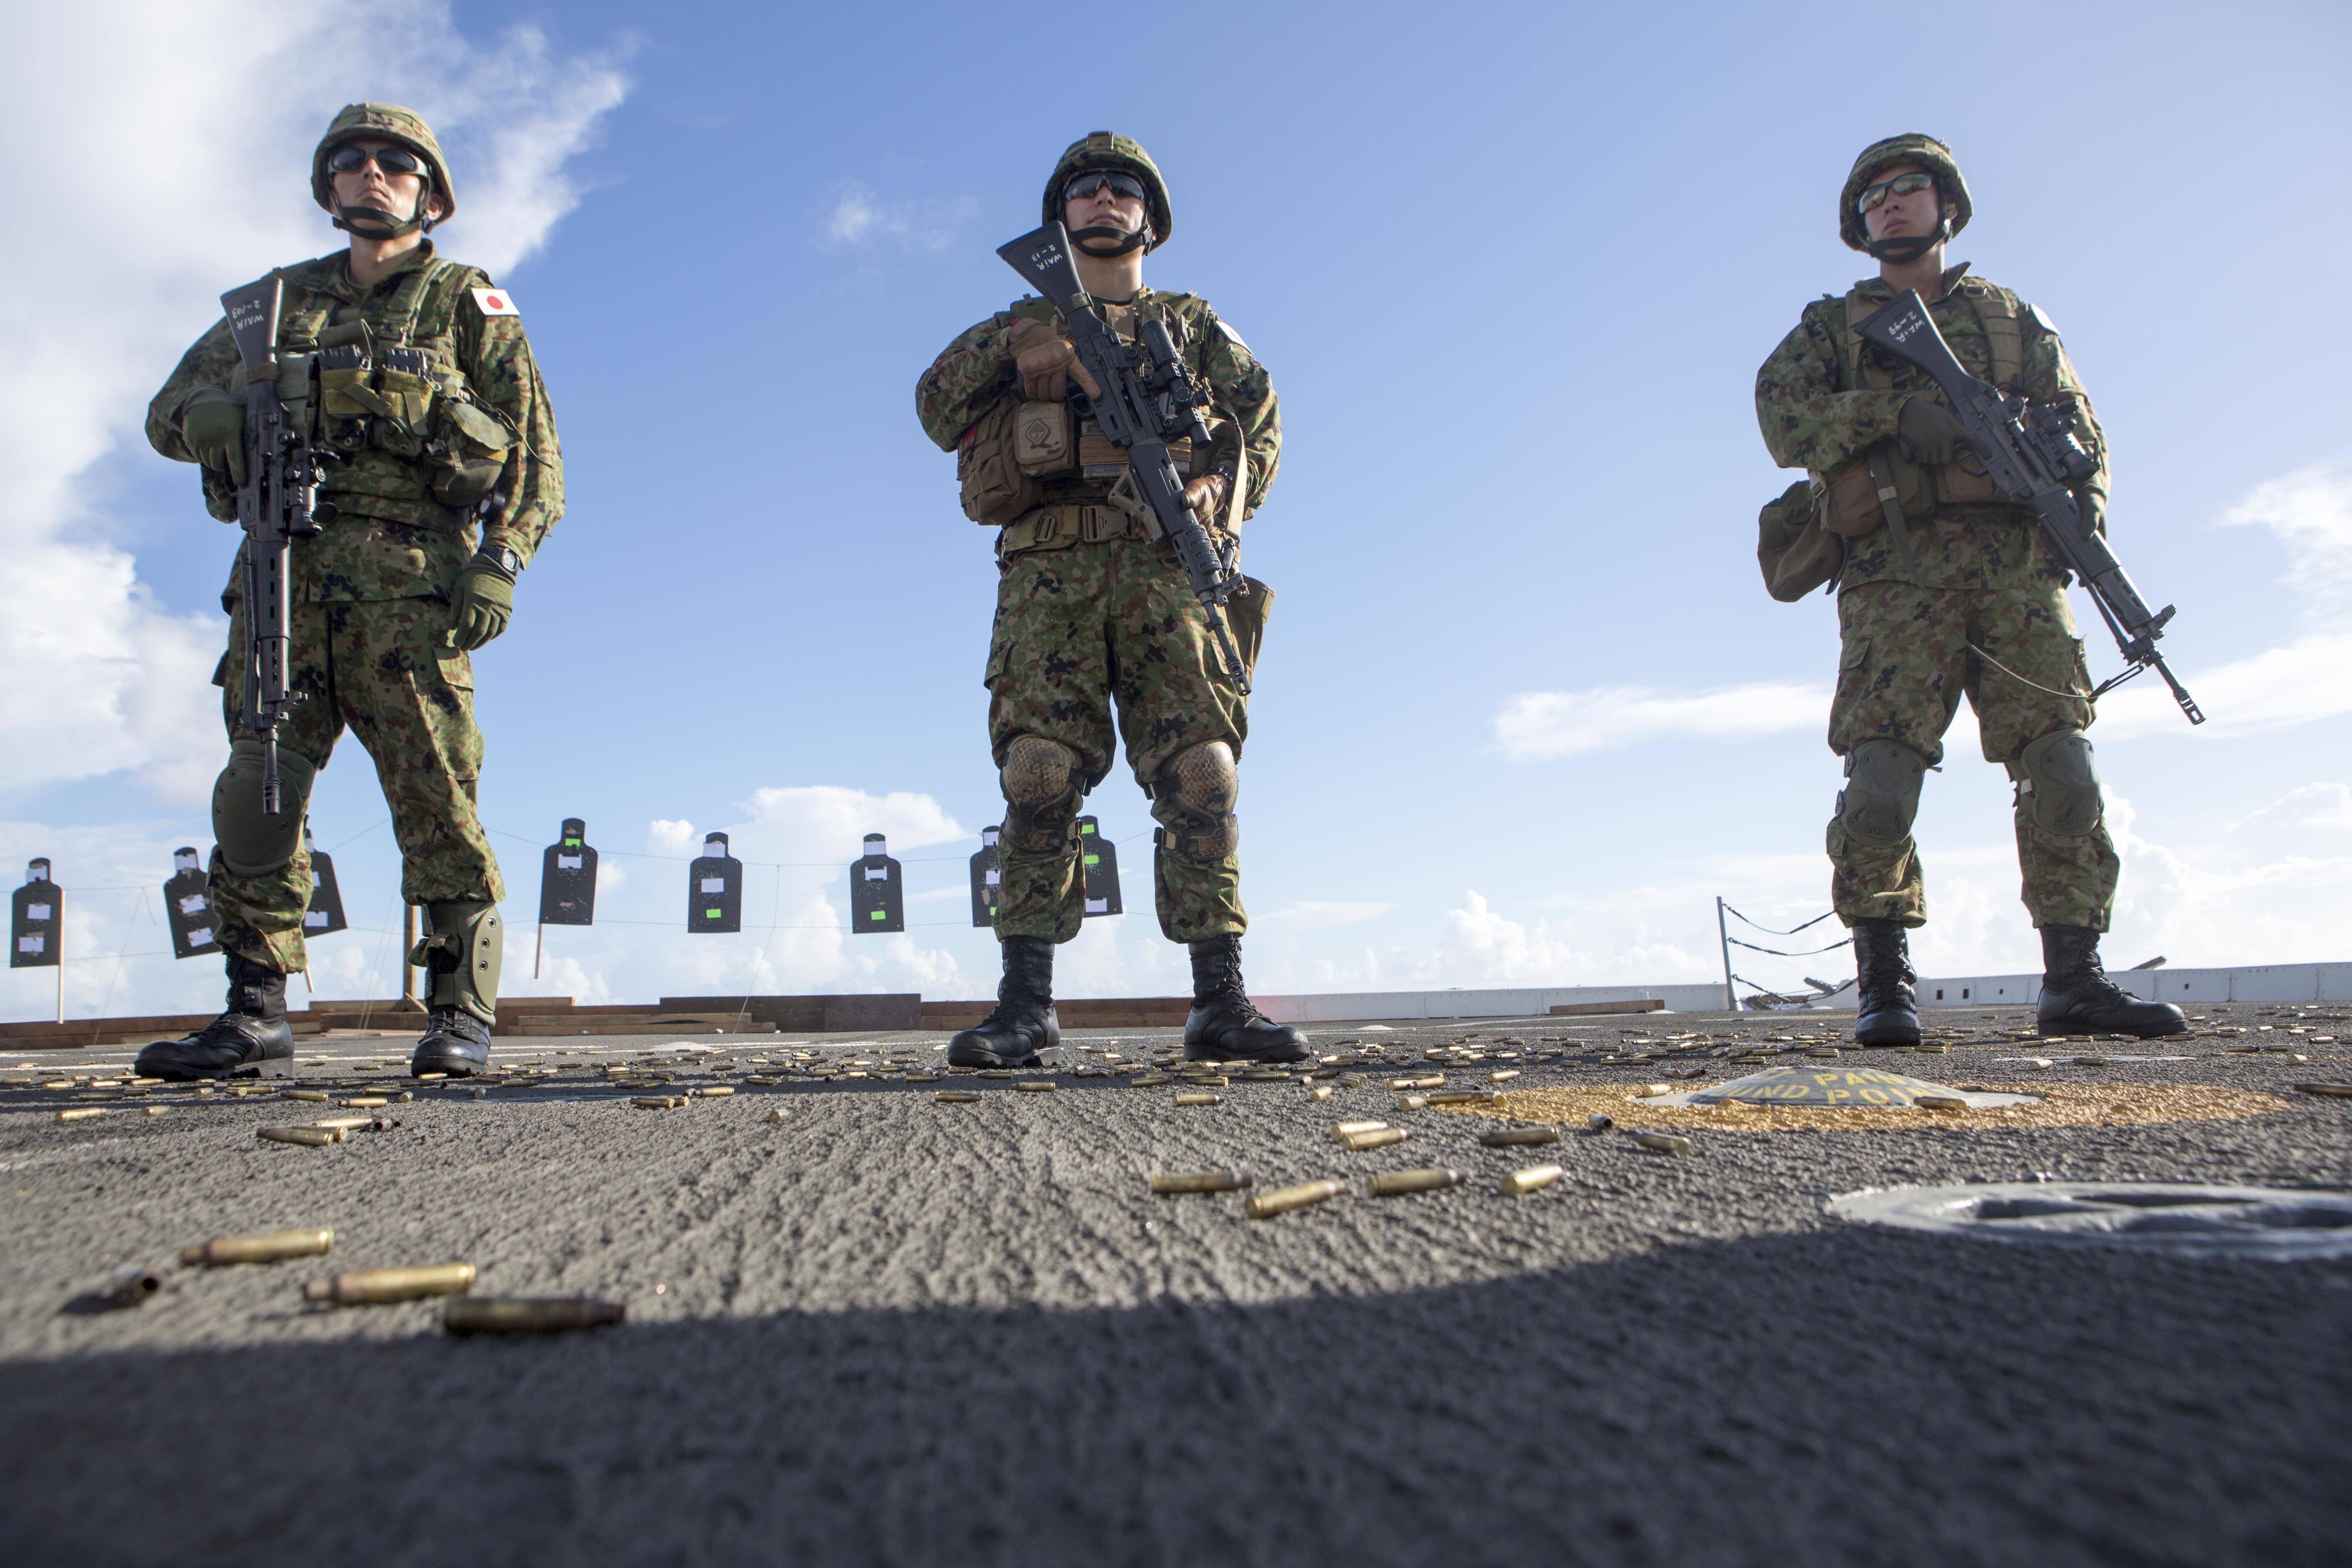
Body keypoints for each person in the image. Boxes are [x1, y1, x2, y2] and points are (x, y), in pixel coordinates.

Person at [138, 102, 562, 1080]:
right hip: (282, 583)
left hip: (408, 596)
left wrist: (502, 560)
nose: (373, 175)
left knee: (436, 796)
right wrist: (209, 414)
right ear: (329, 186)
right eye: (353, 162)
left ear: (430, 191)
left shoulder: (467, 302)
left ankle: (459, 1013)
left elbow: (536, 458)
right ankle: (254, 1009)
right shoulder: (273, 306)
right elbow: (167, 413)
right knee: (258, 794)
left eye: (396, 163)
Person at [1753, 133, 2184, 1045]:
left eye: (1909, 189)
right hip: (1896, 576)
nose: (1891, 205)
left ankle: (2075, 980)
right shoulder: (1835, 328)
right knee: (1881, 780)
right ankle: (1884, 985)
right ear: (1860, 225)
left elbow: (2081, 432)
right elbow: (1782, 415)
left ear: (1946, 206)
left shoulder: (2012, 320)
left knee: (2063, 769)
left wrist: (2082, 514)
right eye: (1874, 198)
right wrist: (1899, 417)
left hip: (2018, 572)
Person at [915, 131, 1306, 1065]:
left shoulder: (1194, 325)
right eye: (1085, 187)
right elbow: (935, 406)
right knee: (1039, 773)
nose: (1103, 198)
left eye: (1123, 189)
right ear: (1062, 214)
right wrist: (1026, 348)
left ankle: (1220, 1001)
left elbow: (1261, 425)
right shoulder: (1021, 316)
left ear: (1150, 218)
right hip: (1049, 571)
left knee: (1204, 772)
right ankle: (1025, 1005)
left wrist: (1221, 496)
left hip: (1165, 565)